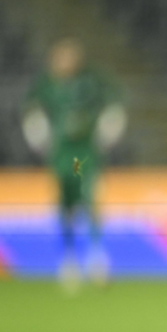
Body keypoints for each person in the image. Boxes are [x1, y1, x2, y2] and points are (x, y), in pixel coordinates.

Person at [22, 37, 126, 289]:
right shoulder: (46, 85)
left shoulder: (91, 80)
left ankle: (96, 258)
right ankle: (68, 260)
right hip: (61, 155)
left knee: (90, 200)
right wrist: (40, 138)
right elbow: (32, 112)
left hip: (86, 153)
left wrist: (107, 131)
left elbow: (115, 104)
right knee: (64, 205)